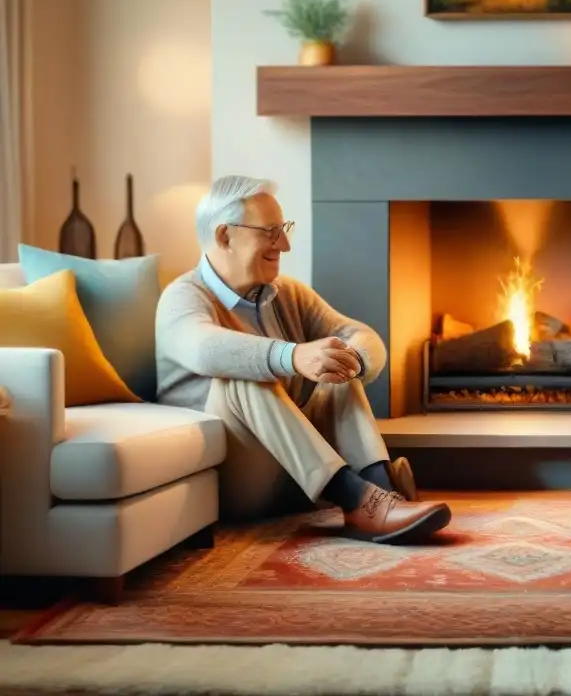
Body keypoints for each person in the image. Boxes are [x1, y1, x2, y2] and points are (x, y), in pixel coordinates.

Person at [156, 175, 452, 544]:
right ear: (224, 236)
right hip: (233, 480)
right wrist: (291, 356)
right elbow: (203, 348)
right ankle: (362, 496)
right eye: (270, 232)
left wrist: (351, 359)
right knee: (241, 375)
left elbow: (364, 336)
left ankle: (378, 493)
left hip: (296, 471)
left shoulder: (288, 293)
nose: (285, 244)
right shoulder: (182, 297)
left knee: (338, 363)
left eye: (284, 229)